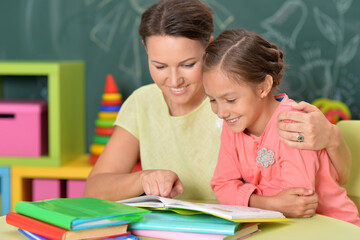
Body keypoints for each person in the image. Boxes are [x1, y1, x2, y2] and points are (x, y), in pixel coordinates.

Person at [84, 0, 351, 218]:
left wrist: (332, 137)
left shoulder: (239, 106)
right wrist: (143, 179)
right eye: (160, 66)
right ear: (145, 50)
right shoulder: (143, 102)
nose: (174, 80)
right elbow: (94, 189)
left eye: (188, 64)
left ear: (210, 48)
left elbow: (315, 186)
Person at [204, 29, 360, 225]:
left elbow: (298, 203)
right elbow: (221, 186)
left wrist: (248, 200)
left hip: (332, 226)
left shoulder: (295, 124)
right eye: (212, 100)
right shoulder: (233, 124)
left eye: (231, 99)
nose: (221, 112)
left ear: (263, 87)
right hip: (282, 226)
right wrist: (269, 204)